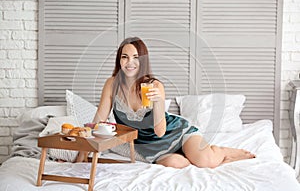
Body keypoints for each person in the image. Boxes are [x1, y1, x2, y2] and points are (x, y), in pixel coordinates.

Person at [76, 37, 255, 168]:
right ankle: (193, 154)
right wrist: (80, 158)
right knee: (178, 164)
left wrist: (159, 103)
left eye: (135, 57)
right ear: (119, 60)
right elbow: (97, 122)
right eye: (124, 57)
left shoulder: (154, 86)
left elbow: (160, 131)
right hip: (144, 145)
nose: (130, 62)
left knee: (204, 161)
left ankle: (222, 151)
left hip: (173, 132)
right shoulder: (112, 84)